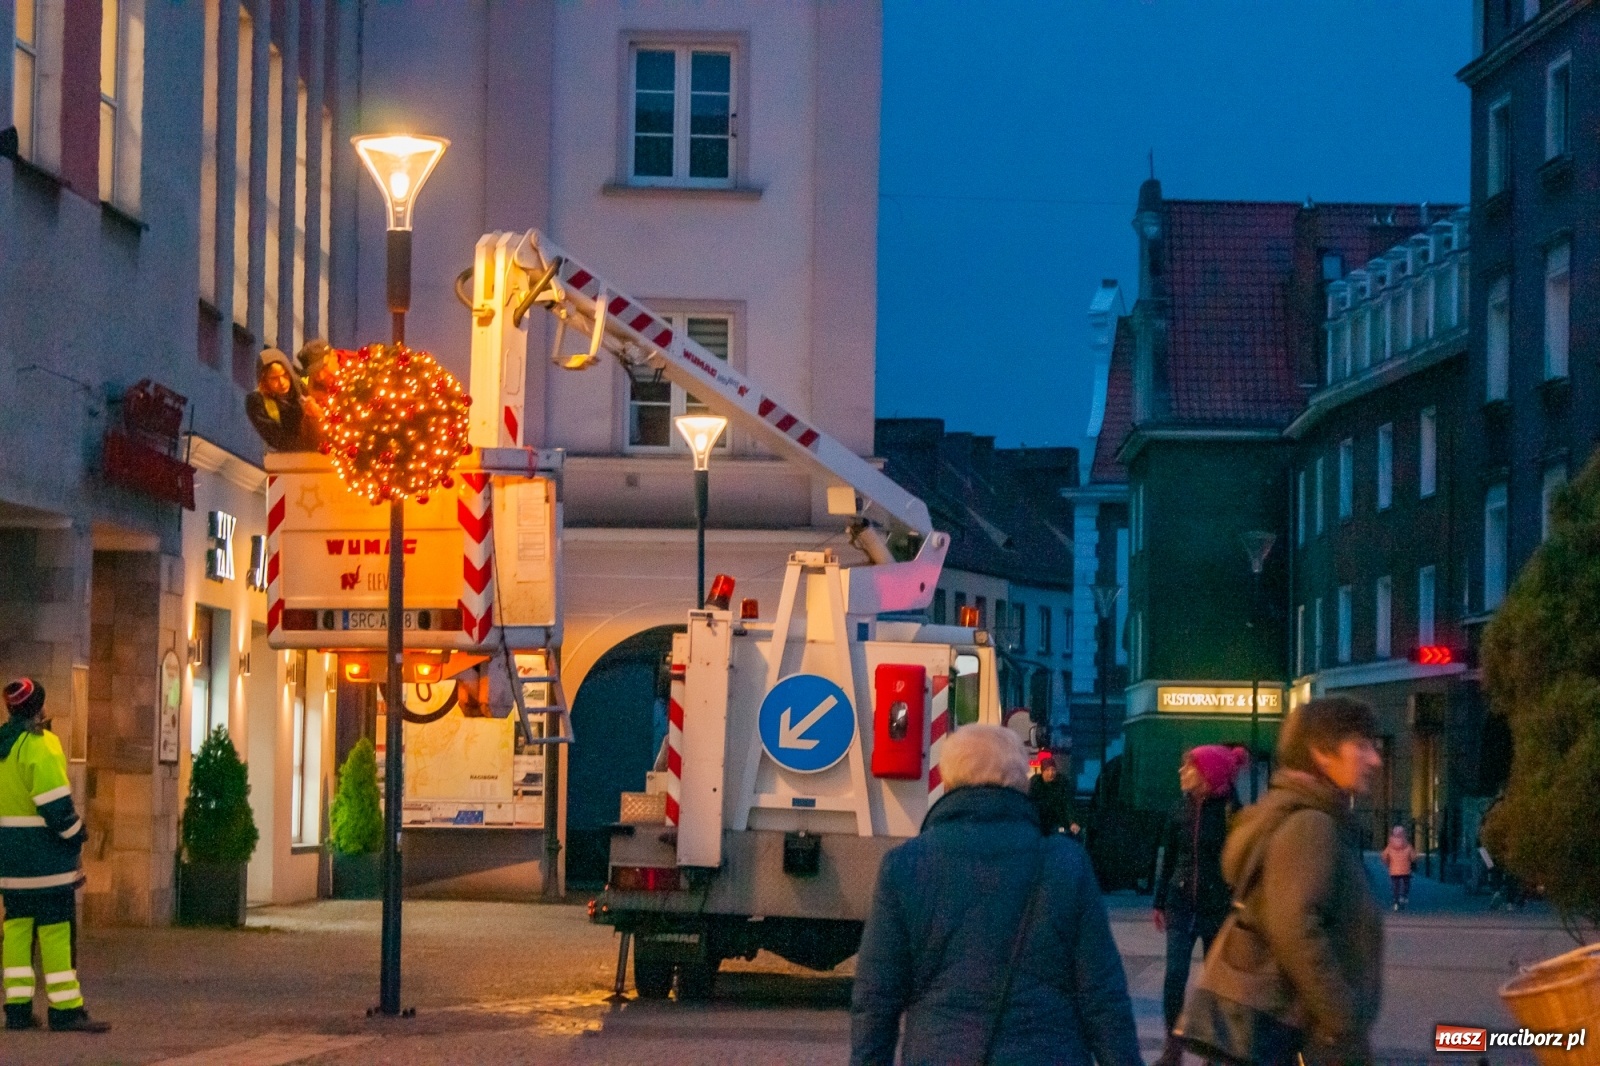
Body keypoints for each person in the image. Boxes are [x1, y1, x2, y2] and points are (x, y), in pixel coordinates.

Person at [852, 724, 1141, 1066]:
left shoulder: (904, 865)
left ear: (948, 781)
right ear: (1020, 781)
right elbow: (1102, 994)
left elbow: (876, 997)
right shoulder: (1065, 864)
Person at [1189, 696, 1384, 1065]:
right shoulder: (1311, 825)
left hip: (1306, 1033)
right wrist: (1343, 1019)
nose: (1375, 759)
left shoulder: (1314, 817)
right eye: (1361, 746)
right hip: (1312, 1039)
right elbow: (1294, 928)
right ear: (1322, 754)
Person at [0, 679, 110, 1033]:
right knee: (55, 930)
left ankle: (16, 1009)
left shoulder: (3, 745)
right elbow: (55, 806)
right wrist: (77, 833)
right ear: (39, 708)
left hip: (10, 861)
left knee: (16, 929)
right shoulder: (40, 745)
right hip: (45, 861)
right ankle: (65, 1010)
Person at [1151, 744, 1246, 1066]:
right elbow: (1168, 858)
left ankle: (1213, 1052)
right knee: (1175, 975)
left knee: (1215, 982)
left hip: (1216, 907)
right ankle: (1172, 1046)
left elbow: (1241, 862)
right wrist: (1159, 901)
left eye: (1188, 767)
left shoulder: (1231, 811)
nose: (1181, 772)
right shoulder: (1179, 808)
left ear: (1207, 775)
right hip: (1179, 903)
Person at [245, 348, 313, 451]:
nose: (282, 382)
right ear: (264, 381)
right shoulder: (257, 401)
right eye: (274, 378)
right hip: (286, 459)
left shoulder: (303, 389)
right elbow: (277, 438)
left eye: (285, 374)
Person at [1027, 751, 1081, 836]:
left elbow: (1068, 804)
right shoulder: (1035, 783)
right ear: (1042, 771)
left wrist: (1072, 822)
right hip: (1039, 822)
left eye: (1053, 770)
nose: (1051, 773)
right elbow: (1029, 803)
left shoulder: (1062, 783)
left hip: (1058, 822)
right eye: (1047, 770)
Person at [1380, 826, 1417, 911]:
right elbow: (1414, 857)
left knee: (1395, 886)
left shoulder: (1390, 845)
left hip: (1394, 870)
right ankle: (1403, 897)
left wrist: (1388, 863)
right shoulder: (1407, 845)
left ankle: (1396, 901)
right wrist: (1411, 861)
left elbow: (1384, 856)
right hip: (1406, 870)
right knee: (1406, 884)